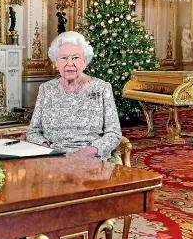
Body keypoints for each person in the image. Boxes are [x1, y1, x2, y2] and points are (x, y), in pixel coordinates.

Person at [26, 31, 122, 160]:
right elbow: (33, 131)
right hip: (53, 158)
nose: (69, 63)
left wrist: (89, 151)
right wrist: (45, 147)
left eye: (75, 58)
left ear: (84, 60)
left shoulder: (102, 88)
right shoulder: (46, 89)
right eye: (64, 58)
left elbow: (114, 133)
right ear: (56, 62)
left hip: (90, 159)